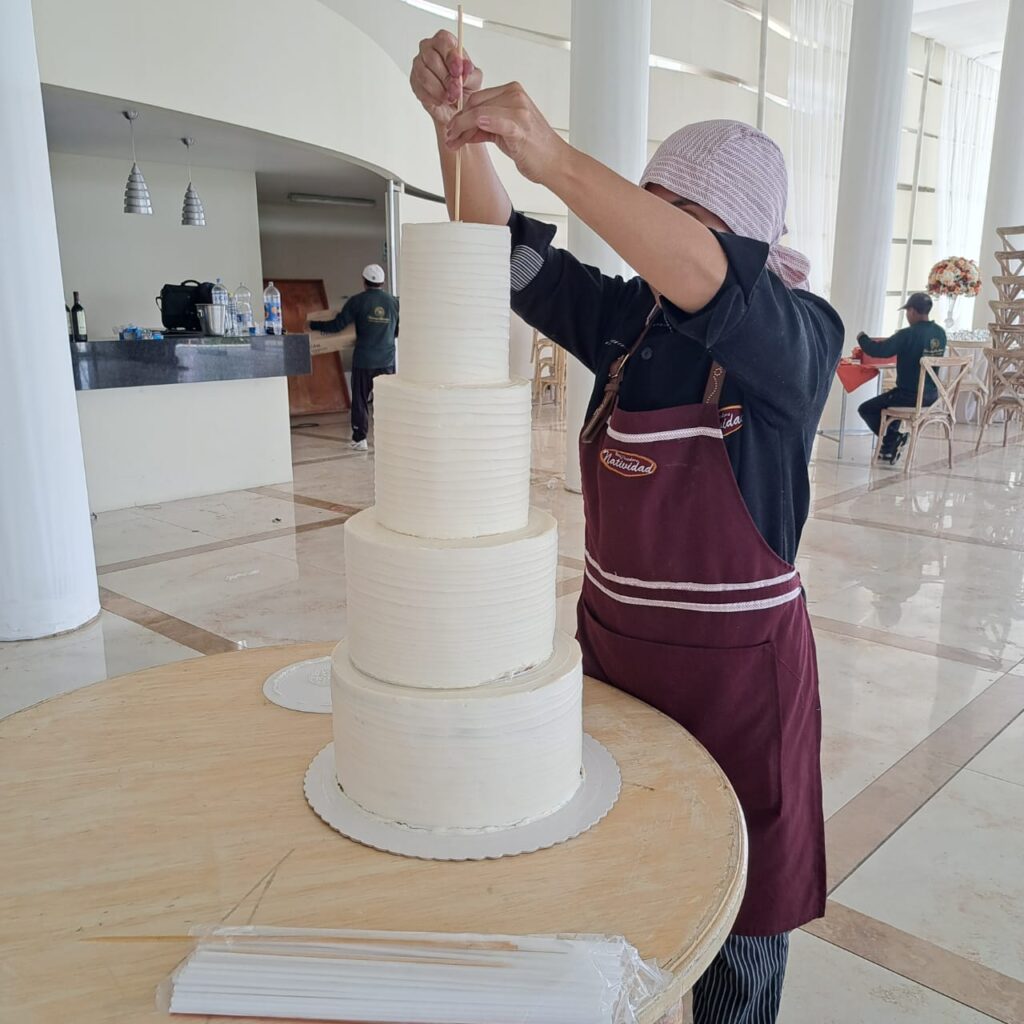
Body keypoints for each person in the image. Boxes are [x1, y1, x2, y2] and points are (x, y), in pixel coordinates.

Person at [410, 31, 843, 1024]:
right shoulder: (626, 325)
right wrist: (455, 135)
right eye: (645, 203)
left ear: (736, 233)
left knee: (740, 929)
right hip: (617, 671)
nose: (646, 232)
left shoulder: (794, 338)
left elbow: (713, 278)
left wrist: (556, 155)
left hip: (742, 689)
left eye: (673, 211)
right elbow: (499, 254)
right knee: (627, 882)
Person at [310, 264, 399, 450]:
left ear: (364, 281)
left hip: (364, 360)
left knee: (360, 399)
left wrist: (313, 325)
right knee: (389, 400)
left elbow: (337, 326)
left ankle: (360, 439)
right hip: (387, 360)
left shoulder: (357, 301)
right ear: (382, 282)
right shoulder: (394, 302)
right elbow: (398, 330)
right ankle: (392, 437)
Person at [856, 292, 947, 464]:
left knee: (866, 408)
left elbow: (879, 351)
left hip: (908, 396)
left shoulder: (907, 334)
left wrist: (862, 338)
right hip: (932, 396)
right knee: (890, 402)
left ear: (912, 311)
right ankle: (889, 447)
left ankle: (893, 439)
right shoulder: (940, 333)